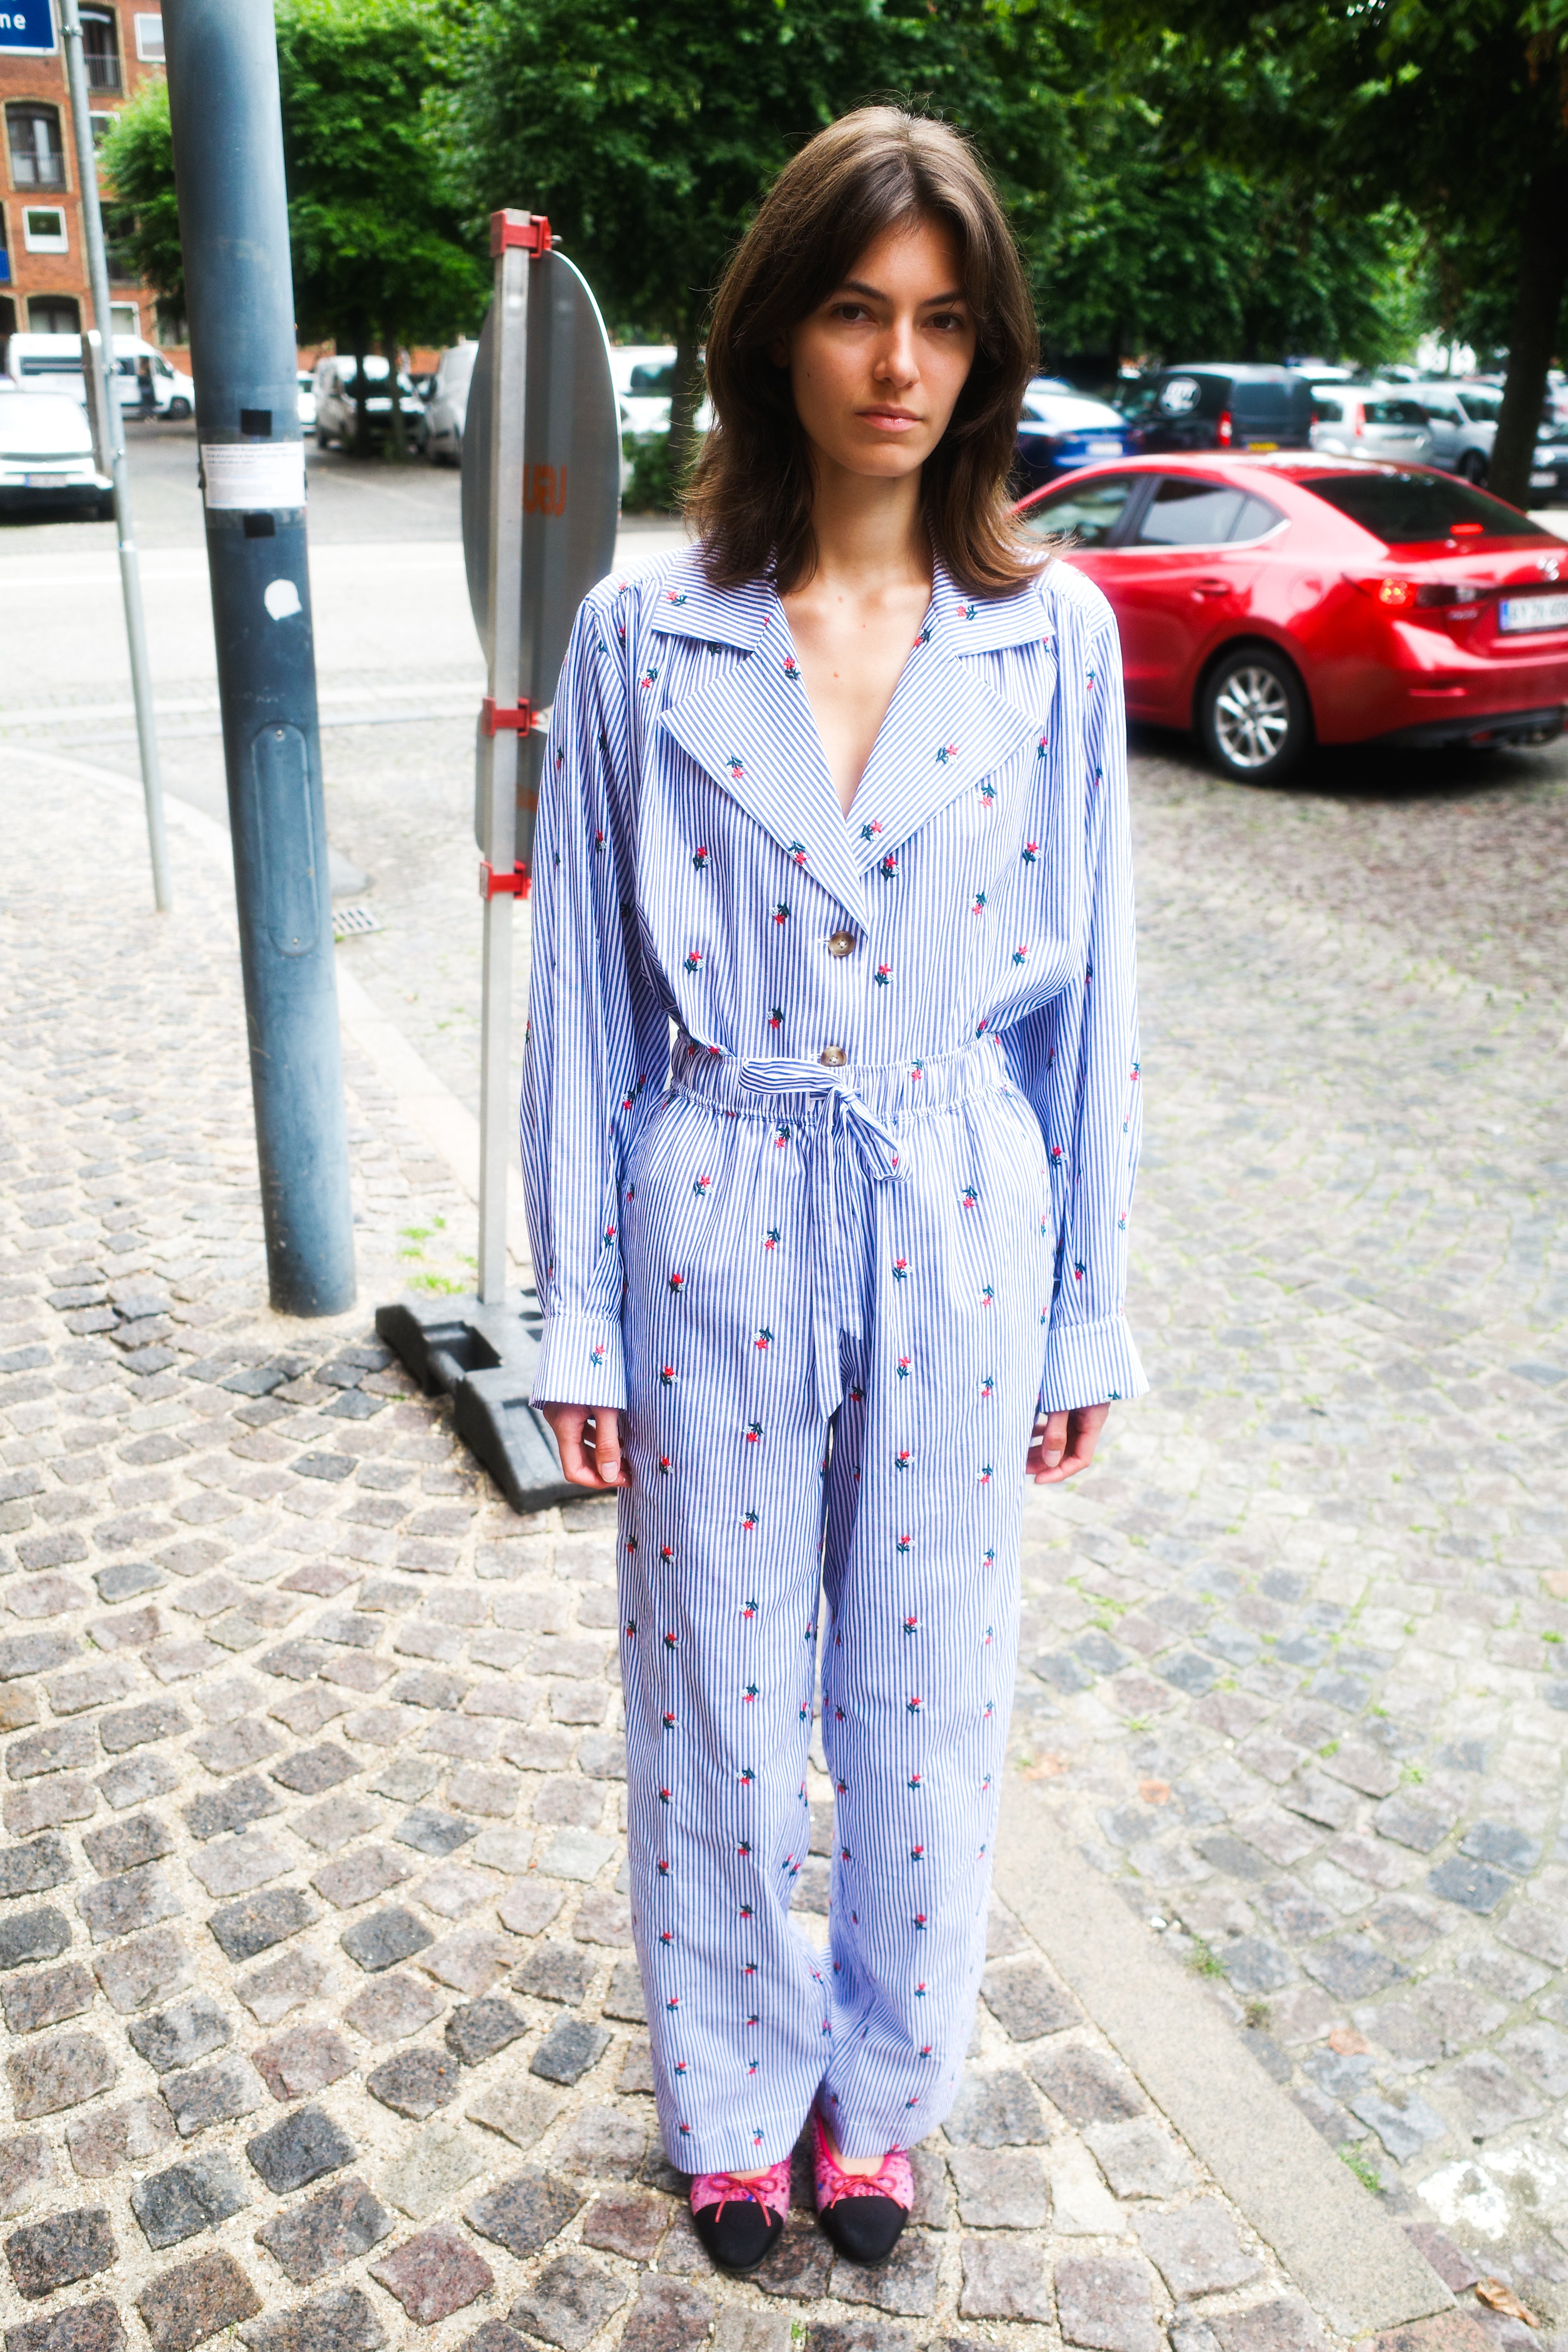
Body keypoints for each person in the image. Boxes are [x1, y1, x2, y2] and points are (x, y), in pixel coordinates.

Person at [520, 105, 1146, 2276]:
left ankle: (874, 2105)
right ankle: (725, 2097)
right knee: (712, 1689)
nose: (901, 363)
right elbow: (585, 1010)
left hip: (962, 1201)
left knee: (925, 1690)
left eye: (947, 323)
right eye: (860, 312)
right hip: (718, 1201)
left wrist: (1084, 1314)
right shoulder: (642, 636)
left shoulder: (1048, 637)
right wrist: (577, 1321)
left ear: (984, 358)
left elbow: (1094, 1012)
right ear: (778, 332)